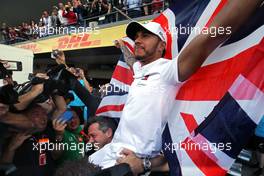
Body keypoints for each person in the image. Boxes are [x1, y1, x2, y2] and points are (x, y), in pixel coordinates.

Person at [89, 0, 264, 175]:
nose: (138, 40)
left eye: (145, 36)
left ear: (162, 46)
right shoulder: (139, 70)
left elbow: (208, 38)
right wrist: (122, 47)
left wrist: (143, 164)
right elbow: (131, 61)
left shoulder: (168, 70)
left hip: (129, 162)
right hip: (107, 152)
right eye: (137, 37)